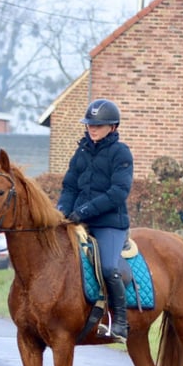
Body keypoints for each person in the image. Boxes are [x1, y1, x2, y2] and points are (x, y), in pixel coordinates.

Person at [57, 98, 134, 343]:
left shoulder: (121, 153)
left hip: (109, 223)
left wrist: (85, 211)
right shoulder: (81, 151)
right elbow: (69, 186)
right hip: (79, 219)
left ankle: (120, 323)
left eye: (98, 125)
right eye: (90, 124)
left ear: (113, 127)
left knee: (109, 268)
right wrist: (61, 212)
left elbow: (118, 192)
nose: (92, 128)